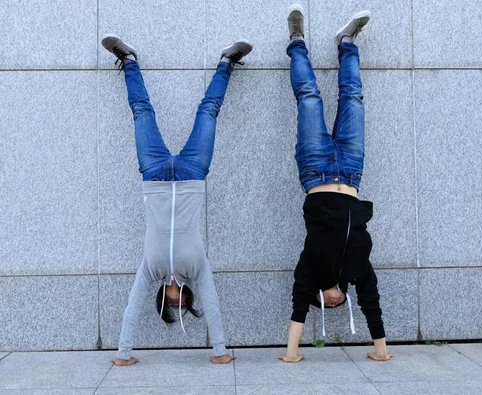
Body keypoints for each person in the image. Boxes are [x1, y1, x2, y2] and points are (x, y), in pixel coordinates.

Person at [101, 34, 253, 365]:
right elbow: (211, 304)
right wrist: (220, 352)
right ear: (188, 298)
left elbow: (132, 305)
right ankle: (226, 62)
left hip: (154, 175)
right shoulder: (198, 272)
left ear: (163, 299)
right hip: (192, 174)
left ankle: (129, 60)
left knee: (141, 111)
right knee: (208, 112)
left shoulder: (149, 271)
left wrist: (123, 354)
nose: (177, 301)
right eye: (182, 305)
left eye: (172, 305)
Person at [276, 5, 394, 363]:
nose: (336, 303)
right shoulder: (358, 271)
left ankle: (296, 40)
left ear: (318, 299)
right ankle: (346, 42)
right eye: (341, 303)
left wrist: (291, 355)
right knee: (354, 100)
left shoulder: (310, 270)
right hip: (351, 172)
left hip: (315, 172)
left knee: (309, 99)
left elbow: (298, 310)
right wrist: (381, 352)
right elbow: (371, 303)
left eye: (326, 305)